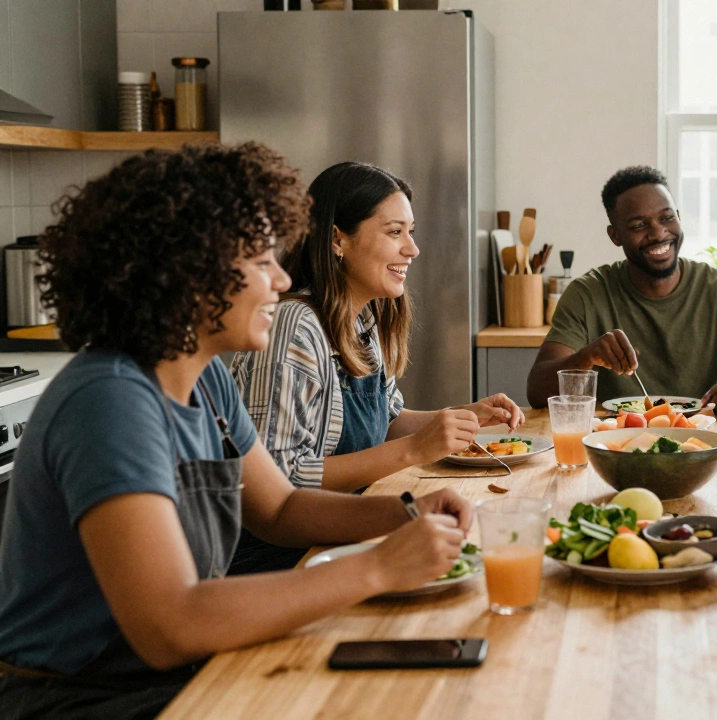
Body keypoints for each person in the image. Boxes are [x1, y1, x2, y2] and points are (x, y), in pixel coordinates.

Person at [0, 144, 472, 719]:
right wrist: (376, 567)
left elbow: (281, 508)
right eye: (259, 259)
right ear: (189, 270)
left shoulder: (205, 382)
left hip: (186, 670)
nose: (279, 278)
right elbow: (171, 624)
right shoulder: (110, 401)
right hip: (90, 699)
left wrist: (405, 512)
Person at [229, 162, 522, 573]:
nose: (412, 249)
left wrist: (459, 418)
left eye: (411, 231)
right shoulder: (293, 328)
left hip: (339, 536)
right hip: (280, 560)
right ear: (337, 239)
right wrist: (415, 450)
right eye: (394, 231)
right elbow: (280, 482)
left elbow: (386, 418)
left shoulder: (362, 320)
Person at [526, 165, 717, 417]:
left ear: (679, 217)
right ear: (615, 235)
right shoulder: (587, 294)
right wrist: (587, 357)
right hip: (614, 444)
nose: (658, 233)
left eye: (667, 218)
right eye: (639, 225)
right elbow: (537, 394)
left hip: (701, 441)